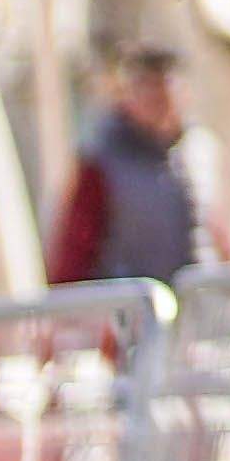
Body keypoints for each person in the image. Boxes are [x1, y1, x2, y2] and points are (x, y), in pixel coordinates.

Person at [46, 45, 209, 286]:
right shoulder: (102, 162)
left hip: (193, 298)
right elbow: (76, 250)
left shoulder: (199, 154)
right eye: (148, 91)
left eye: (163, 92)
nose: (157, 102)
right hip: (129, 301)